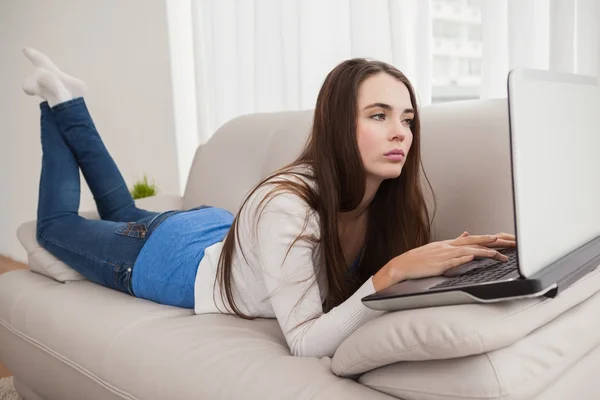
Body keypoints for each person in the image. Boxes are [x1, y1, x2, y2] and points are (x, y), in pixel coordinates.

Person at [22, 48, 516, 358]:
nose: (400, 133)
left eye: (407, 119)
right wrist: (390, 274)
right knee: (55, 225)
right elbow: (302, 341)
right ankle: (57, 104)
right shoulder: (288, 207)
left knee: (123, 212)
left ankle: (70, 101)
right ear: (339, 124)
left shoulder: (387, 200)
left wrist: (451, 258)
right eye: (379, 115)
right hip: (171, 261)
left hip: (223, 235)